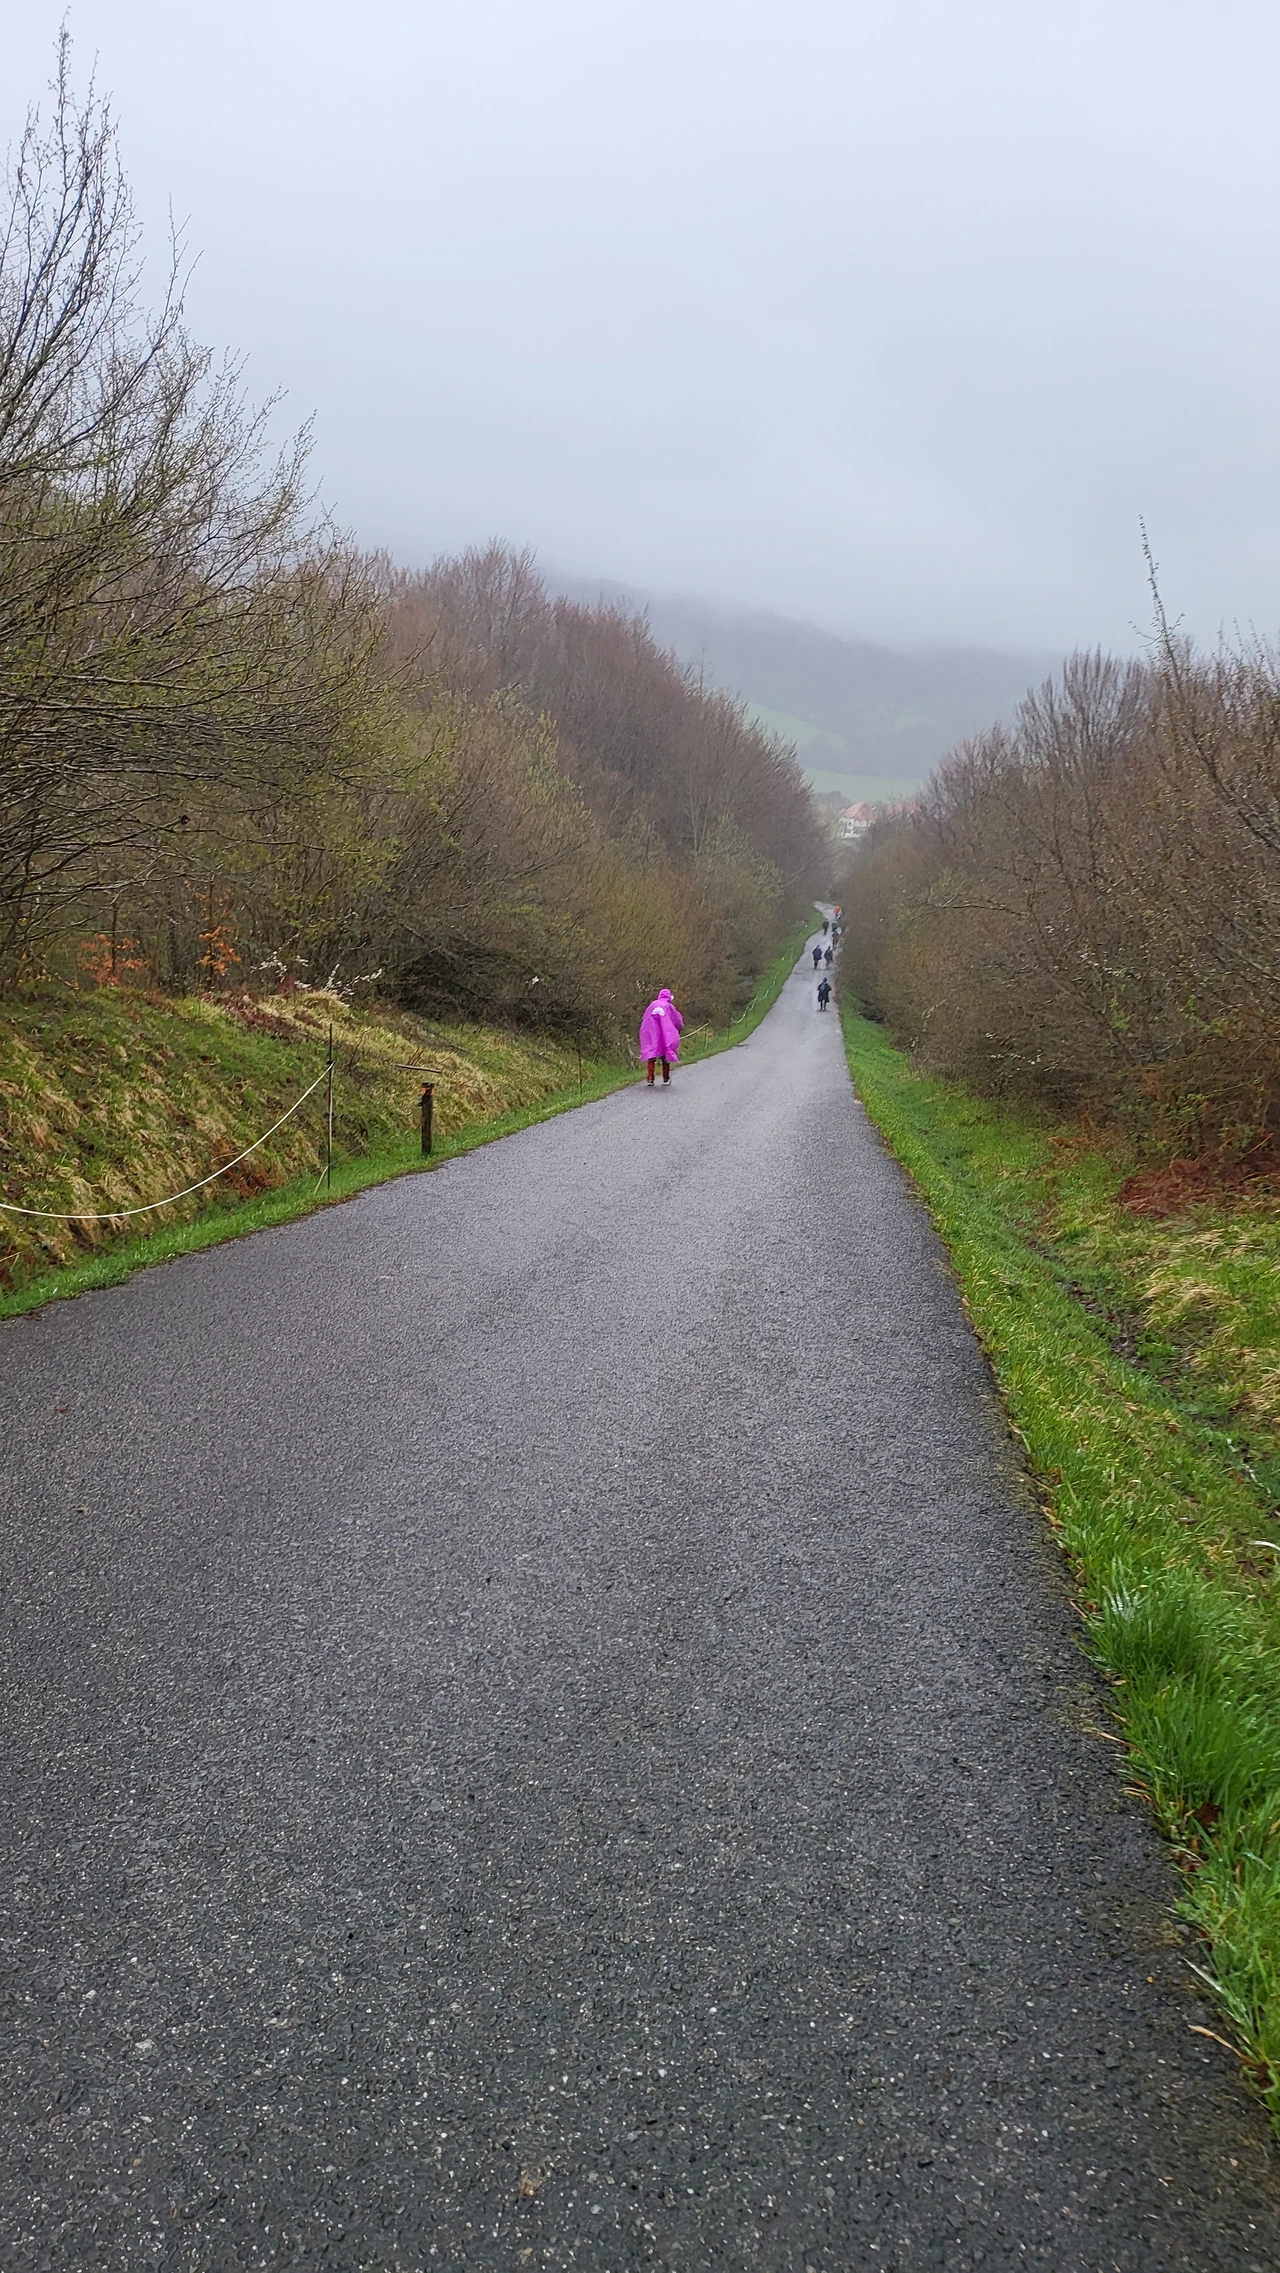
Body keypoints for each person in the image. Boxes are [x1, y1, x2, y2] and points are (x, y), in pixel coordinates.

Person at [639, 986, 684, 1085]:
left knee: (652, 1053)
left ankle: (650, 1078)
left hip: (652, 1032)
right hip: (665, 1033)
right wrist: (680, 1027)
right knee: (666, 1053)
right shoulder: (668, 1006)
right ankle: (666, 1078)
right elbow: (677, 1019)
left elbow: (645, 1018)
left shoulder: (652, 1005)